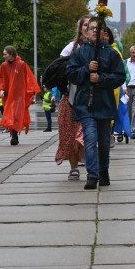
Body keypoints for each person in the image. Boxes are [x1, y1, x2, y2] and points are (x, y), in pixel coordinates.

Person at [67, 19, 126, 190]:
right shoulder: (80, 53)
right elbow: (71, 74)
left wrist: (101, 79)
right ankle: (92, 175)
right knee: (90, 139)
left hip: (105, 104)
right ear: (86, 32)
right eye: (91, 28)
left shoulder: (112, 53)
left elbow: (119, 76)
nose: (94, 31)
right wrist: (86, 69)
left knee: (104, 141)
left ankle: (103, 171)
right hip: (86, 104)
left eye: (97, 29)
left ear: (104, 33)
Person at [56, 15, 92, 180]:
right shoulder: (71, 48)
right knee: (69, 134)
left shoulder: (100, 48)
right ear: (80, 29)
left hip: (92, 99)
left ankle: (90, 163)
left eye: (91, 26)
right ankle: (74, 167)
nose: (88, 28)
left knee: (87, 134)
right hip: (71, 97)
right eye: (85, 25)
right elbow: (59, 70)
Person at [0, 45, 40, 145]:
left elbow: (28, 78)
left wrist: (31, 92)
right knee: (10, 115)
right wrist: (1, 90)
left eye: (5, 54)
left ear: (11, 54)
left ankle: (14, 135)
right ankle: (14, 135)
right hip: (8, 95)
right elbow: (0, 79)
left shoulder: (21, 64)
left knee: (16, 115)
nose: (3, 56)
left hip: (19, 95)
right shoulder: (4, 65)